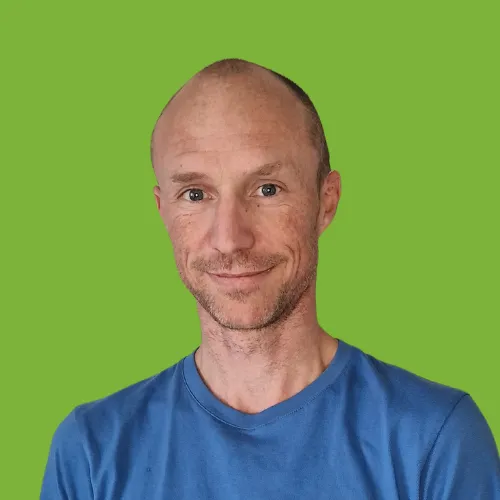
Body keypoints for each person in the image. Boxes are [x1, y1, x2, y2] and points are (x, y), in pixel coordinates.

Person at [40, 58, 500, 499]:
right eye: (195, 194)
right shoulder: (91, 452)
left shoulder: (435, 441)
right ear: (163, 211)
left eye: (267, 189)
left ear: (326, 201)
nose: (230, 239)